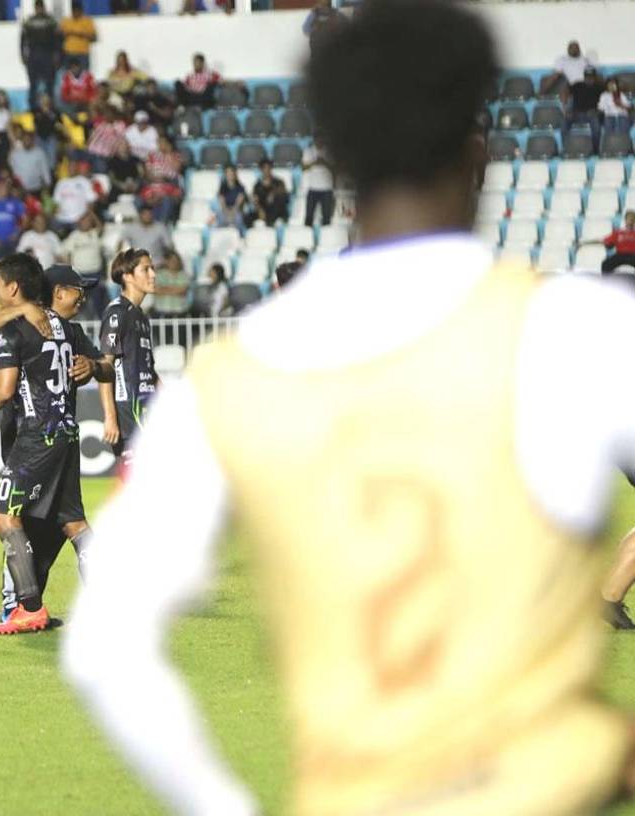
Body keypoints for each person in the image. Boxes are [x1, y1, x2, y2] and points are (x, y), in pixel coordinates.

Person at [64, 3, 635, 814]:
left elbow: (102, 647)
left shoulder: (231, 375)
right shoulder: (581, 327)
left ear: (330, 159)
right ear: (480, 153)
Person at [0, 254, 109, 635]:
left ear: (11, 286)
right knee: (74, 523)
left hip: (34, 438)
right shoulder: (65, 328)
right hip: (67, 435)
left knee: (5, 517)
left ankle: (28, 607)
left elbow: (5, 389)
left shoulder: (16, 332)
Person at [98, 248, 158, 465]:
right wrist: (111, 418)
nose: (153, 274)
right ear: (127, 276)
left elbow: (149, 370)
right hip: (128, 416)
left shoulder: (141, 316)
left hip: (146, 411)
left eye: (152, 268)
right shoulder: (117, 313)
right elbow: (105, 366)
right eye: (146, 269)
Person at [20, 0, 61, 110]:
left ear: (43, 7)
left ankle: (50, 106)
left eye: (41, 7)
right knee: (33, 83)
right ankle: (33, 106)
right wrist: (23, 55)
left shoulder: (50, 21)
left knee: (49, 83)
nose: (39, 9)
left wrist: (57, 55)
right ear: (35, 8)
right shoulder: (29, 22)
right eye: (37, 7)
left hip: (47, 53)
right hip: (33, 54)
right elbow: (23, 40)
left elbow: (57, 40)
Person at [563, 66, 603, 155]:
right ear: (584, 76)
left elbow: (605, 101)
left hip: (591, 114)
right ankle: (565, 148)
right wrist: (565, 107)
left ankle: (596, 150)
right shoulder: (577, 85)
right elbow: (566, 92)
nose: (589, 79)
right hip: (576, 114)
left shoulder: (600, 87)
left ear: (595, 77)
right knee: (564, 124)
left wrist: (596, 111)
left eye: (591, 77)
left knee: (596, 126)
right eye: (587, 77)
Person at [302, 138, 334, 226]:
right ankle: (307, 237)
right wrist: (315, 162)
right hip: (312, 187)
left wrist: (324, 163)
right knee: (308, 217)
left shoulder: (330, 151)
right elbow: (303, 168)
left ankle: (327, 237)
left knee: (326, 217)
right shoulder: (308, 151)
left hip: (327, 188)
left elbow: (335, 168)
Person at [9, 129, 51, 196]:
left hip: (35, 189)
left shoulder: (39, 153)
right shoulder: (15, 154)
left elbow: (45, 170)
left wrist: (47, 185)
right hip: (19, 190)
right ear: (22, 140)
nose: (26, 141)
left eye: (28, 139)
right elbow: (12, 169)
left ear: (33, 140)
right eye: (24, 139)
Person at [59, 0, 97, 73]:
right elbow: (59, 35)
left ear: (81, 10)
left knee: (84, 76)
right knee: (69, 76)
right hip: (69, 53)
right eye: (74, 10)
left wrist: (82, 34)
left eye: (77, 10)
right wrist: (66, 33)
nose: (75, 12)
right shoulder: (66, 21)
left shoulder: (87, 21)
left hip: (83, 54)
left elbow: (94, 37)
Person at [151, 251, 190, 317]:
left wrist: (164, 289)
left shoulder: (183, 275)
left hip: (180, 312)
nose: (174, 263)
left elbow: (182, 290)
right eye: (171, 260)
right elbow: (156, 290)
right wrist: (175, 289)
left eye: (175, 260)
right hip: (161, 312)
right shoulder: (158, 274)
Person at [252, 159, 290, 226]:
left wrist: (273, 193)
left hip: (278, 210)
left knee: (278, 199)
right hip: (265, 210)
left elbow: (284, 192)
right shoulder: (257, 185)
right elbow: (255, 200)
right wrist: (260, 210)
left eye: (268, 168)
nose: (266, 170)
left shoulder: (278, 182)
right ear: (261, 170)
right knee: (249, 216)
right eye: (264, 168)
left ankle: (270, 221)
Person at [216, 165, 249, 231]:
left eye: (231, 172)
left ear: (234, 174)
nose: (229, 174)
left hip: (237, 211)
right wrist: (227, 212)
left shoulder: (240, 188)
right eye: (227, 173)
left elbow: (238, 204)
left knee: (238, 218)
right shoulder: (222, 188)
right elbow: (222, 203)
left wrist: (232, 213)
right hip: (225, 211)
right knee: (221, 217)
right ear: (225, 174)